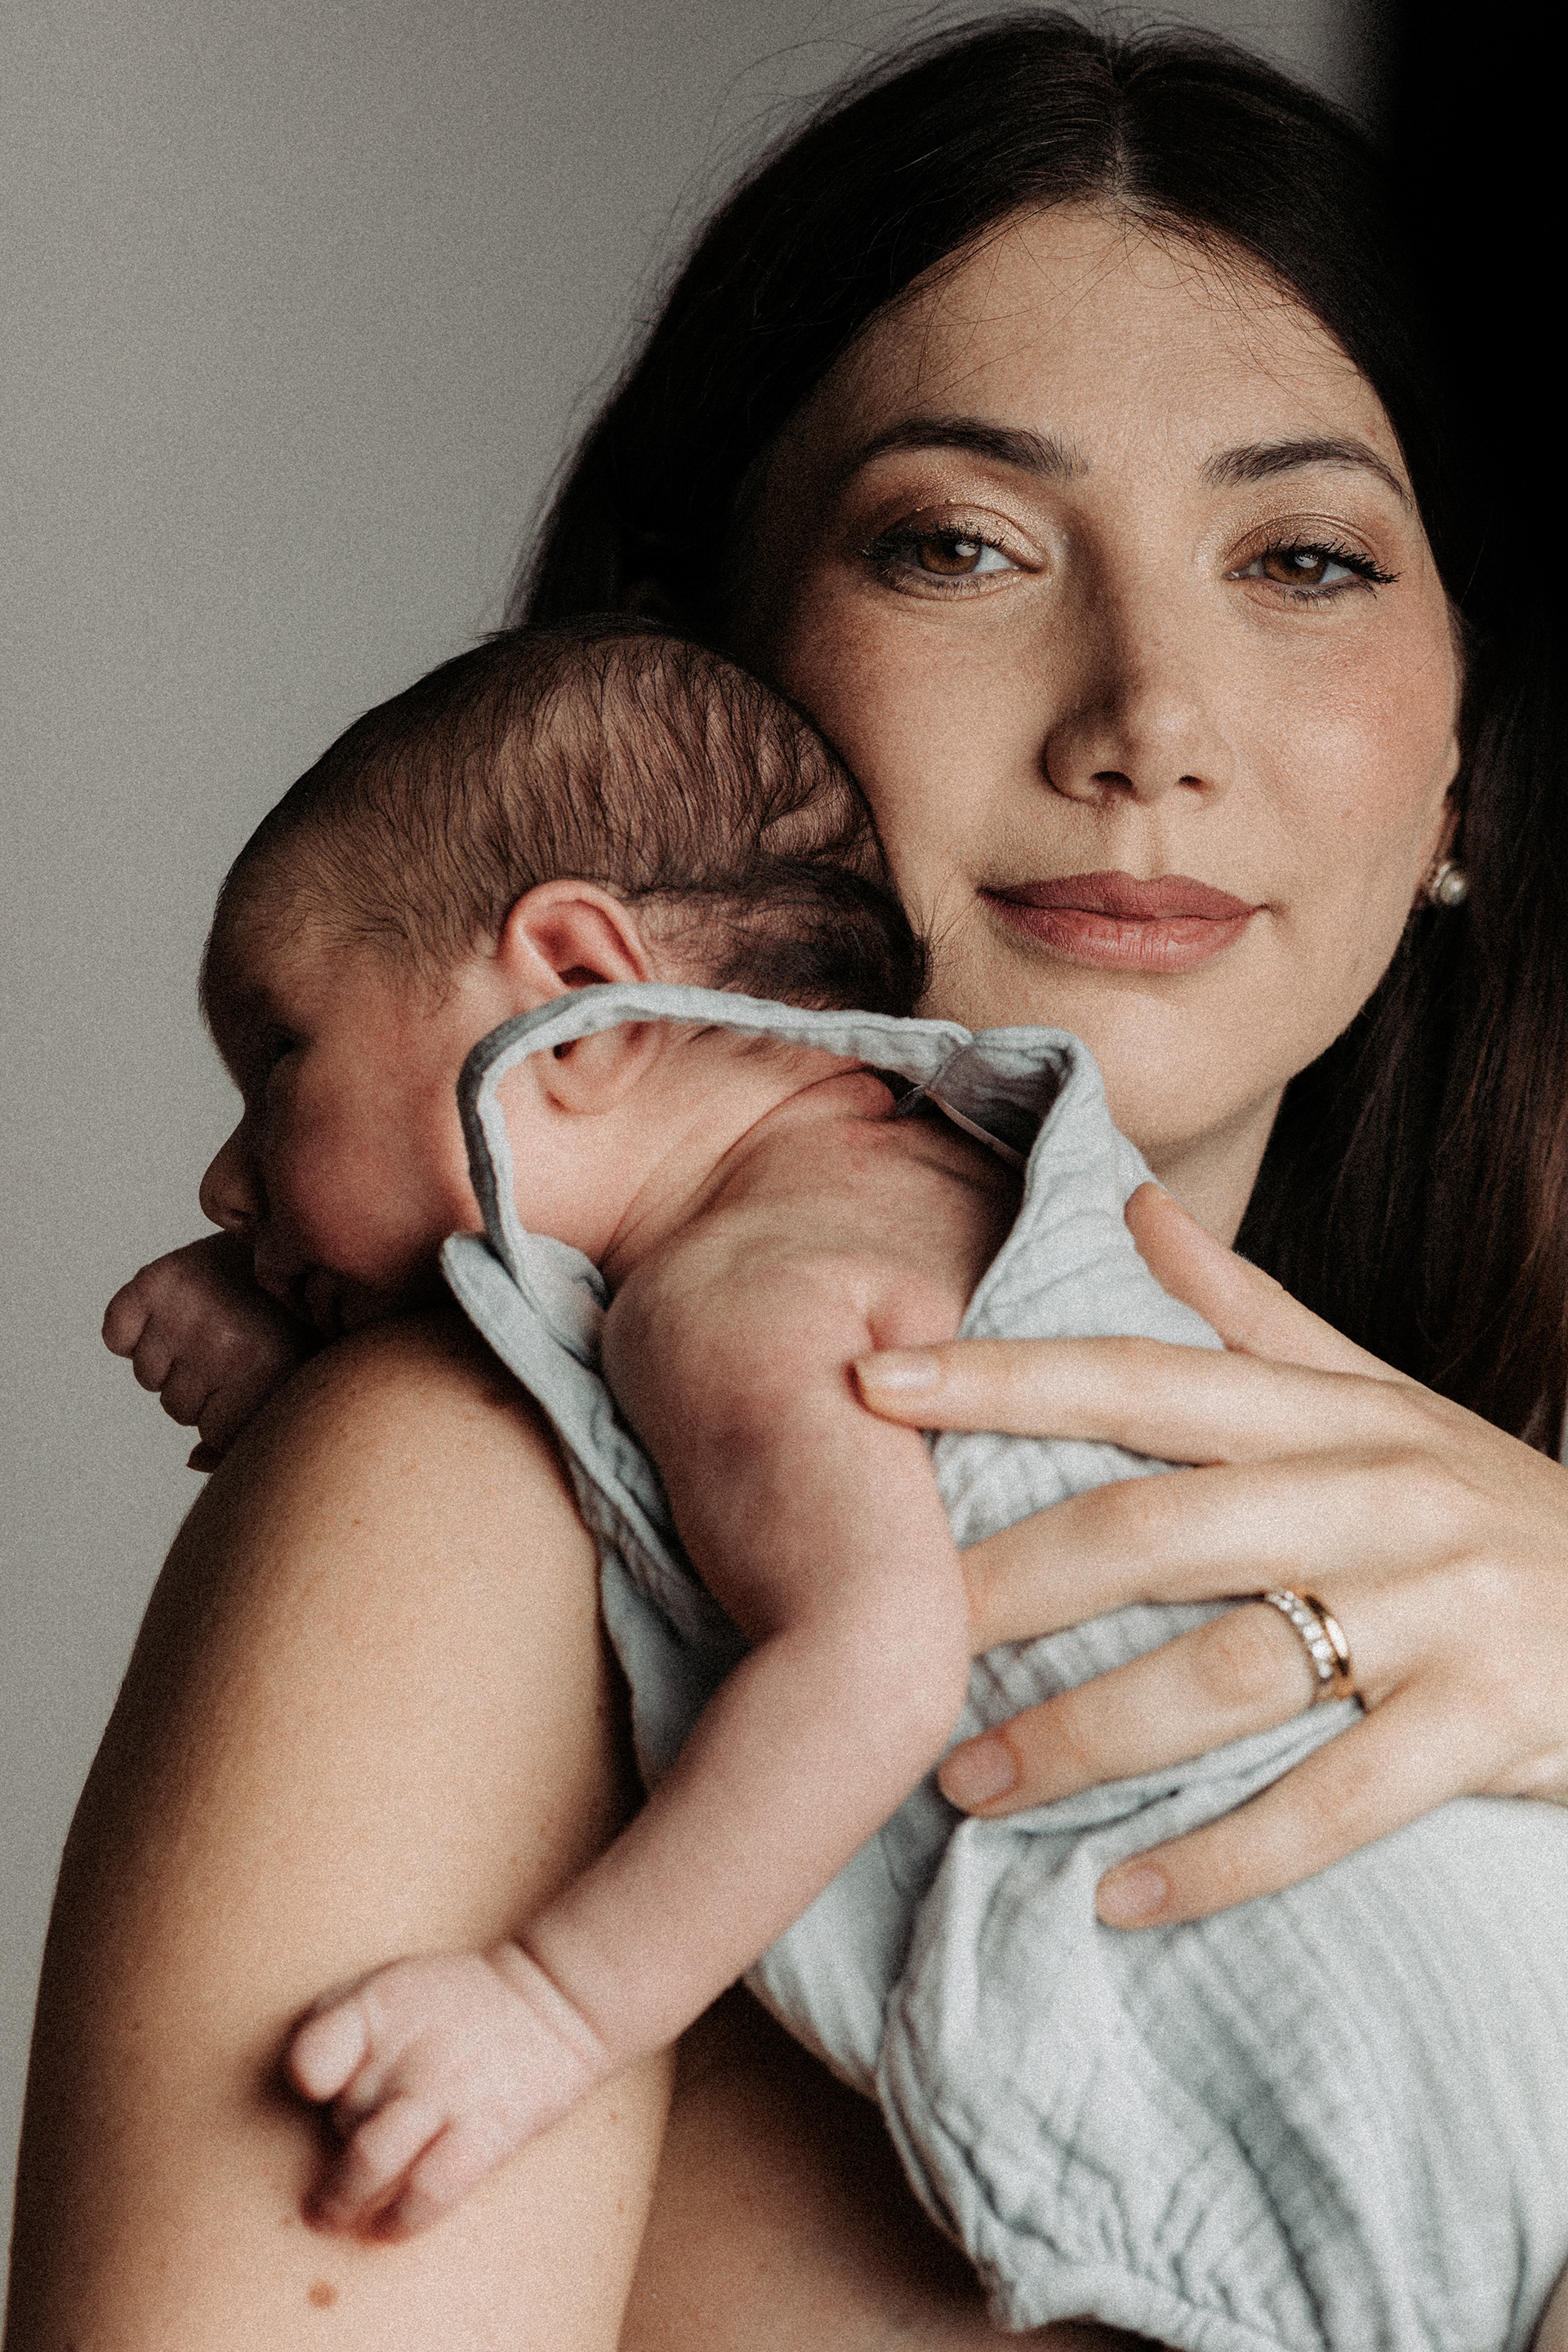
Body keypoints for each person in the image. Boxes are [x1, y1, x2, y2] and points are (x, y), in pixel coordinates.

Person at [9, 18, 1568, 2350]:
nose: (1149, 713)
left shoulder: (1514, 1594)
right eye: (957, 545)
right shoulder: (474, 1491)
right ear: (708, 667)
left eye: (1308, 557)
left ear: (1461, 774)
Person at [119, 614, 1568, 2349]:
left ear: (573, 996)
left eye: (280, 1064)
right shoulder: (965, 1184)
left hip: (1401, 2171)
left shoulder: (740, 1290)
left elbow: (873, 1662)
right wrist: (298, 1290)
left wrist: (553, 2003)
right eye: (949, 548)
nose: (223, 1179)